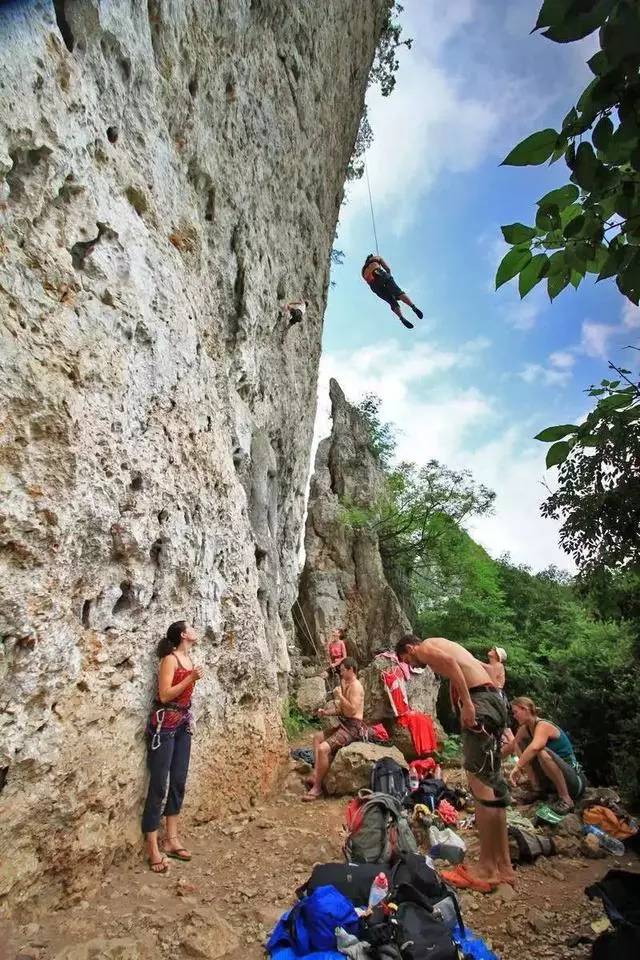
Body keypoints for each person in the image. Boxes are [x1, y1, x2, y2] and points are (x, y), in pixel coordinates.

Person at [395, 634, 514, 889]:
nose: (413, 667)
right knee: (492, 785)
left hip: (480, 703)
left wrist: (468, 704)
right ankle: (504, 865)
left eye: (408, 660)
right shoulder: (447, 644)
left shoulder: (425, 647)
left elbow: (450, 663)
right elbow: (482, 669)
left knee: (480, 788)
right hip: (493, 699)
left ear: (409, 648)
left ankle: (487, 868)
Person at [141, 620, 204, 873]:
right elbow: (165, 695)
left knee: (178, 780)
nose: (194, 629)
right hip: (164, 726)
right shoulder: (170, 660)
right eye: (191, 627)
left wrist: (191, 676)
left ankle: (172, 838)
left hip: (182, 725)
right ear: (183, 634)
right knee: (158, 784)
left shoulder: (189, 660)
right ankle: (152, 846)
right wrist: (190, 678)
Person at [504, 696, 586, 813]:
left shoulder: (543, 725)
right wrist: (489, 759)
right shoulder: (524, 729)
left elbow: (535, 747)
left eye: (516, 712)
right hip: (552, 781)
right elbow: (511, 746)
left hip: (574, 782)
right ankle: (538, 790)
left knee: (541, 751)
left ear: (525, 709)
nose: (514, 716)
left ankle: (566, 799)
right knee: (519, 743)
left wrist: (518, 767)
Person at [303, 657, 366, 802]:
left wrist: (339, 696)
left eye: (343, 670)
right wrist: (326, 712)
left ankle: (317, 787)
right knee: (317, 738)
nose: (341, 672)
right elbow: (341, 710)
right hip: (345, 724)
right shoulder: (346, 683)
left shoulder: (356, 686)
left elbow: (351, 711)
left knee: (323, 749)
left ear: (351, 670)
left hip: (353, 727)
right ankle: (316, 773)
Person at [361, 254, 424, 329]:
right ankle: (413, 307)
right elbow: (388, 269)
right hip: (378, 273)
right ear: (372, 257)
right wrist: (389, 277)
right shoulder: (377, 258)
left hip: (373, 284)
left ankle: (401, 318)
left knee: (391, 301)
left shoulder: (363, 270)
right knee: (398, 292)